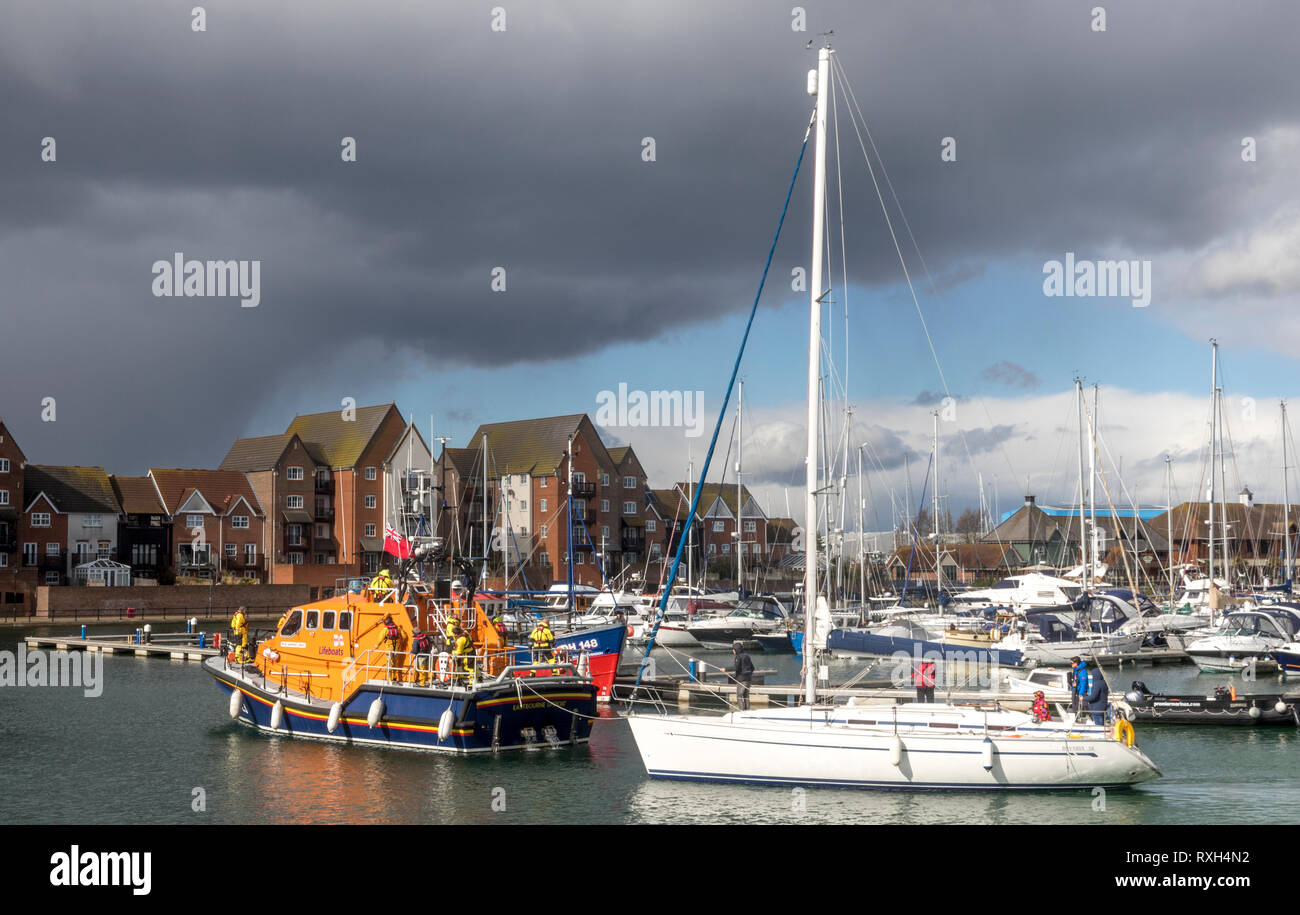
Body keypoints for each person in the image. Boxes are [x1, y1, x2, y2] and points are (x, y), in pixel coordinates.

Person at [729, 641, 755, 710]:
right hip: (748, 680)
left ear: (736, 650)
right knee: (746, 696)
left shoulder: (738, 657)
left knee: (739, 696)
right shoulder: (747, 655)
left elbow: (735, 668)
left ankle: (742, 712)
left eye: (733, 649)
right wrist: (748, 675)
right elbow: (752, 668)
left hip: (741, 680)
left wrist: (725, 669)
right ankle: (747, 711)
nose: (733, 651)